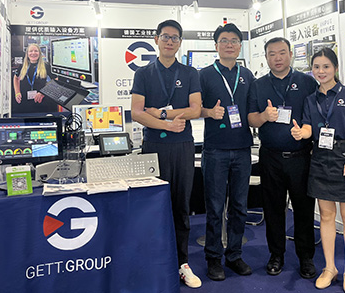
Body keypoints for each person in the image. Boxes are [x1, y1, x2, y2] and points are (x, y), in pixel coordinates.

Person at [131, 19, 202, 289]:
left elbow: (195, 109)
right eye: (165, 36)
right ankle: (156, 259)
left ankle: (182, 262)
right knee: (155, 204)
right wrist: (167, 125)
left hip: (183, 146)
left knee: (182, 205)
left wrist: (161, 113)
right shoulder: (144, 73)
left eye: (174, 37)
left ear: (180, 42)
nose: (170, 41)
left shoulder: (190, 73)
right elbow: (137, 112)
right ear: (156, 39)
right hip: (154, 146)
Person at [291, 47, 345, 293]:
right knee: (325, 216)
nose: (321, 71)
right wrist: (301, 133)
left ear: (335, 68)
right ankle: (330, 267)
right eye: (316, 67)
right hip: (321, 158)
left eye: (326, 66)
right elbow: (309, 127)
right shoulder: (310, 99)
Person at [248, 37, 318, 279]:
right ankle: (276, 255)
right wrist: (264, 117)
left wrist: (307, 133)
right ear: (266, 57)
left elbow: (316, 116)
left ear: (290, 54)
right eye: (271, 54)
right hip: (270, 157)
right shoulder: (258, 85)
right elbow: (251, 119)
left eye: (281, 52)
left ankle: (306, 257)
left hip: (301, 156)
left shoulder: (307, 82)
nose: (277, 58)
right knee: (273, 209)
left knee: (304, 208)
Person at [199, 23, 255, 281]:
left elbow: (253, 110)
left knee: (240, 207)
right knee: (214, 207)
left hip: (242, 149)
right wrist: (209, 112)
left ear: (240, 46)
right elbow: (192, 108)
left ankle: (234, 255)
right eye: (224, 40)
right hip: (215, 149)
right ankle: (213, 258)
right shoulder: (204, 75)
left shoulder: (248, 75)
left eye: (234, 40)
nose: (229, 44)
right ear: (216, 45)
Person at [12, 43, 58, 113]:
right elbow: (16, 78)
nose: (33, 53)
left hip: (41, 102)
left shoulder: (46, 65)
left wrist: (44, 92)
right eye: (31, 51)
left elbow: (56, 80)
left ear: (39, 53)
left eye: (36, 51)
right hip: (25, 104)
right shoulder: (22, 66)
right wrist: (17, 92)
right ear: (27, 54)